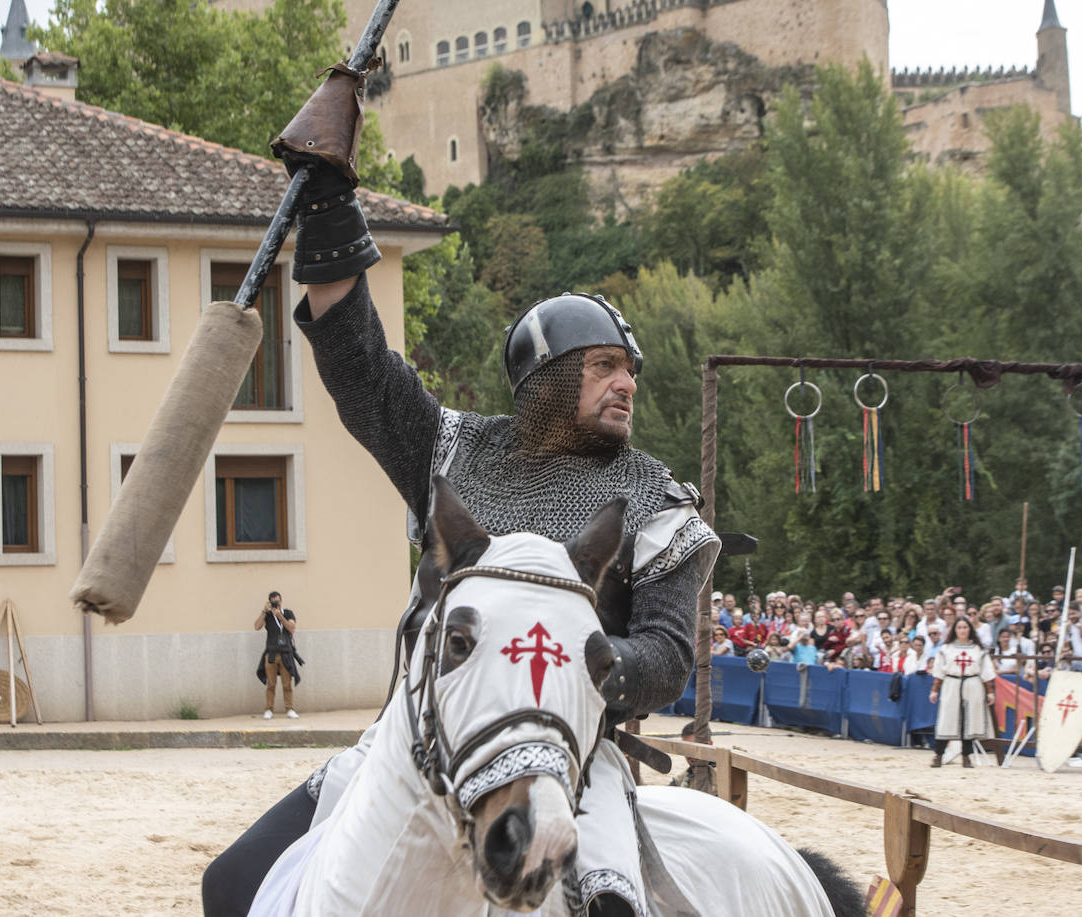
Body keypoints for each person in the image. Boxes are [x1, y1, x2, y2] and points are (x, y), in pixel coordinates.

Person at [202, 69, 721, 917]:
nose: (625, 383)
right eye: (603, 367)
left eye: (629, 370)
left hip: (572, 765)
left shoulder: (655, 500)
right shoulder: (456, 450)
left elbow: (665, 657)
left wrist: (584, 667)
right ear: (548, 380)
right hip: (413, 744)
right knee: (229, 884)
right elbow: (359, 366)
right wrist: (329, 205)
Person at [928, 618, 996, 768]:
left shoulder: (979, 650)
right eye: (959, 627)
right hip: (951, 684)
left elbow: (986, 672)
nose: (962, 630)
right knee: (947, 719)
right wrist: (934, 690)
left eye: (965, 627)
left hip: (973, 685)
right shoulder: (946, 649)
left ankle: (966, 756)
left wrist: (990, 692)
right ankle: (938, 755)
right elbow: (939, 671)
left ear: (970, 629)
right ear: (955, 630)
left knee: (970, 722)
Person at [254, 591, 300, 719]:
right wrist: (264, 611)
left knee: (287, 683)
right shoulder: (267, 615)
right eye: (273, 601)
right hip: (271, 653)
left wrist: (280, 616)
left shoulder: (288, 613)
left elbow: (292, 628)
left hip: (286, 652)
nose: (276, 603)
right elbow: (257, 626)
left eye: (277, 601)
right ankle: (268, 709)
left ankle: (289, 708)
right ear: (269, 602)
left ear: (281, 601)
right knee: (271, 683)